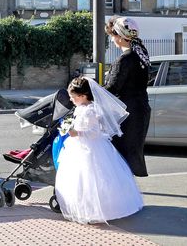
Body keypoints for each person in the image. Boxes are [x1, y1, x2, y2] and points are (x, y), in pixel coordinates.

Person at [55, 77, 143, 225]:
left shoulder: (90, 110)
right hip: (79, 146)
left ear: (83, 96)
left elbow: (94, 132)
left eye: (73, 97)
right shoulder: (81, 107)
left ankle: (100, 209)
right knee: (80, 180)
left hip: (91, 148)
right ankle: (86, 206)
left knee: (94, 179)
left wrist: (75, 132)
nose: (71, 100)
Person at [104, 16, 151, 177]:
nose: (112, 40)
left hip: (126, 113)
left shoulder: (125, 59)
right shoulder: (141, 54)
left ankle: (123, 195)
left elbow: (112, 87)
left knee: (119, 155)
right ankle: (129, 193)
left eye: (112, 35)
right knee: (131, 154)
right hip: (141, 109)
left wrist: (91, 92)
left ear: (120, 36)